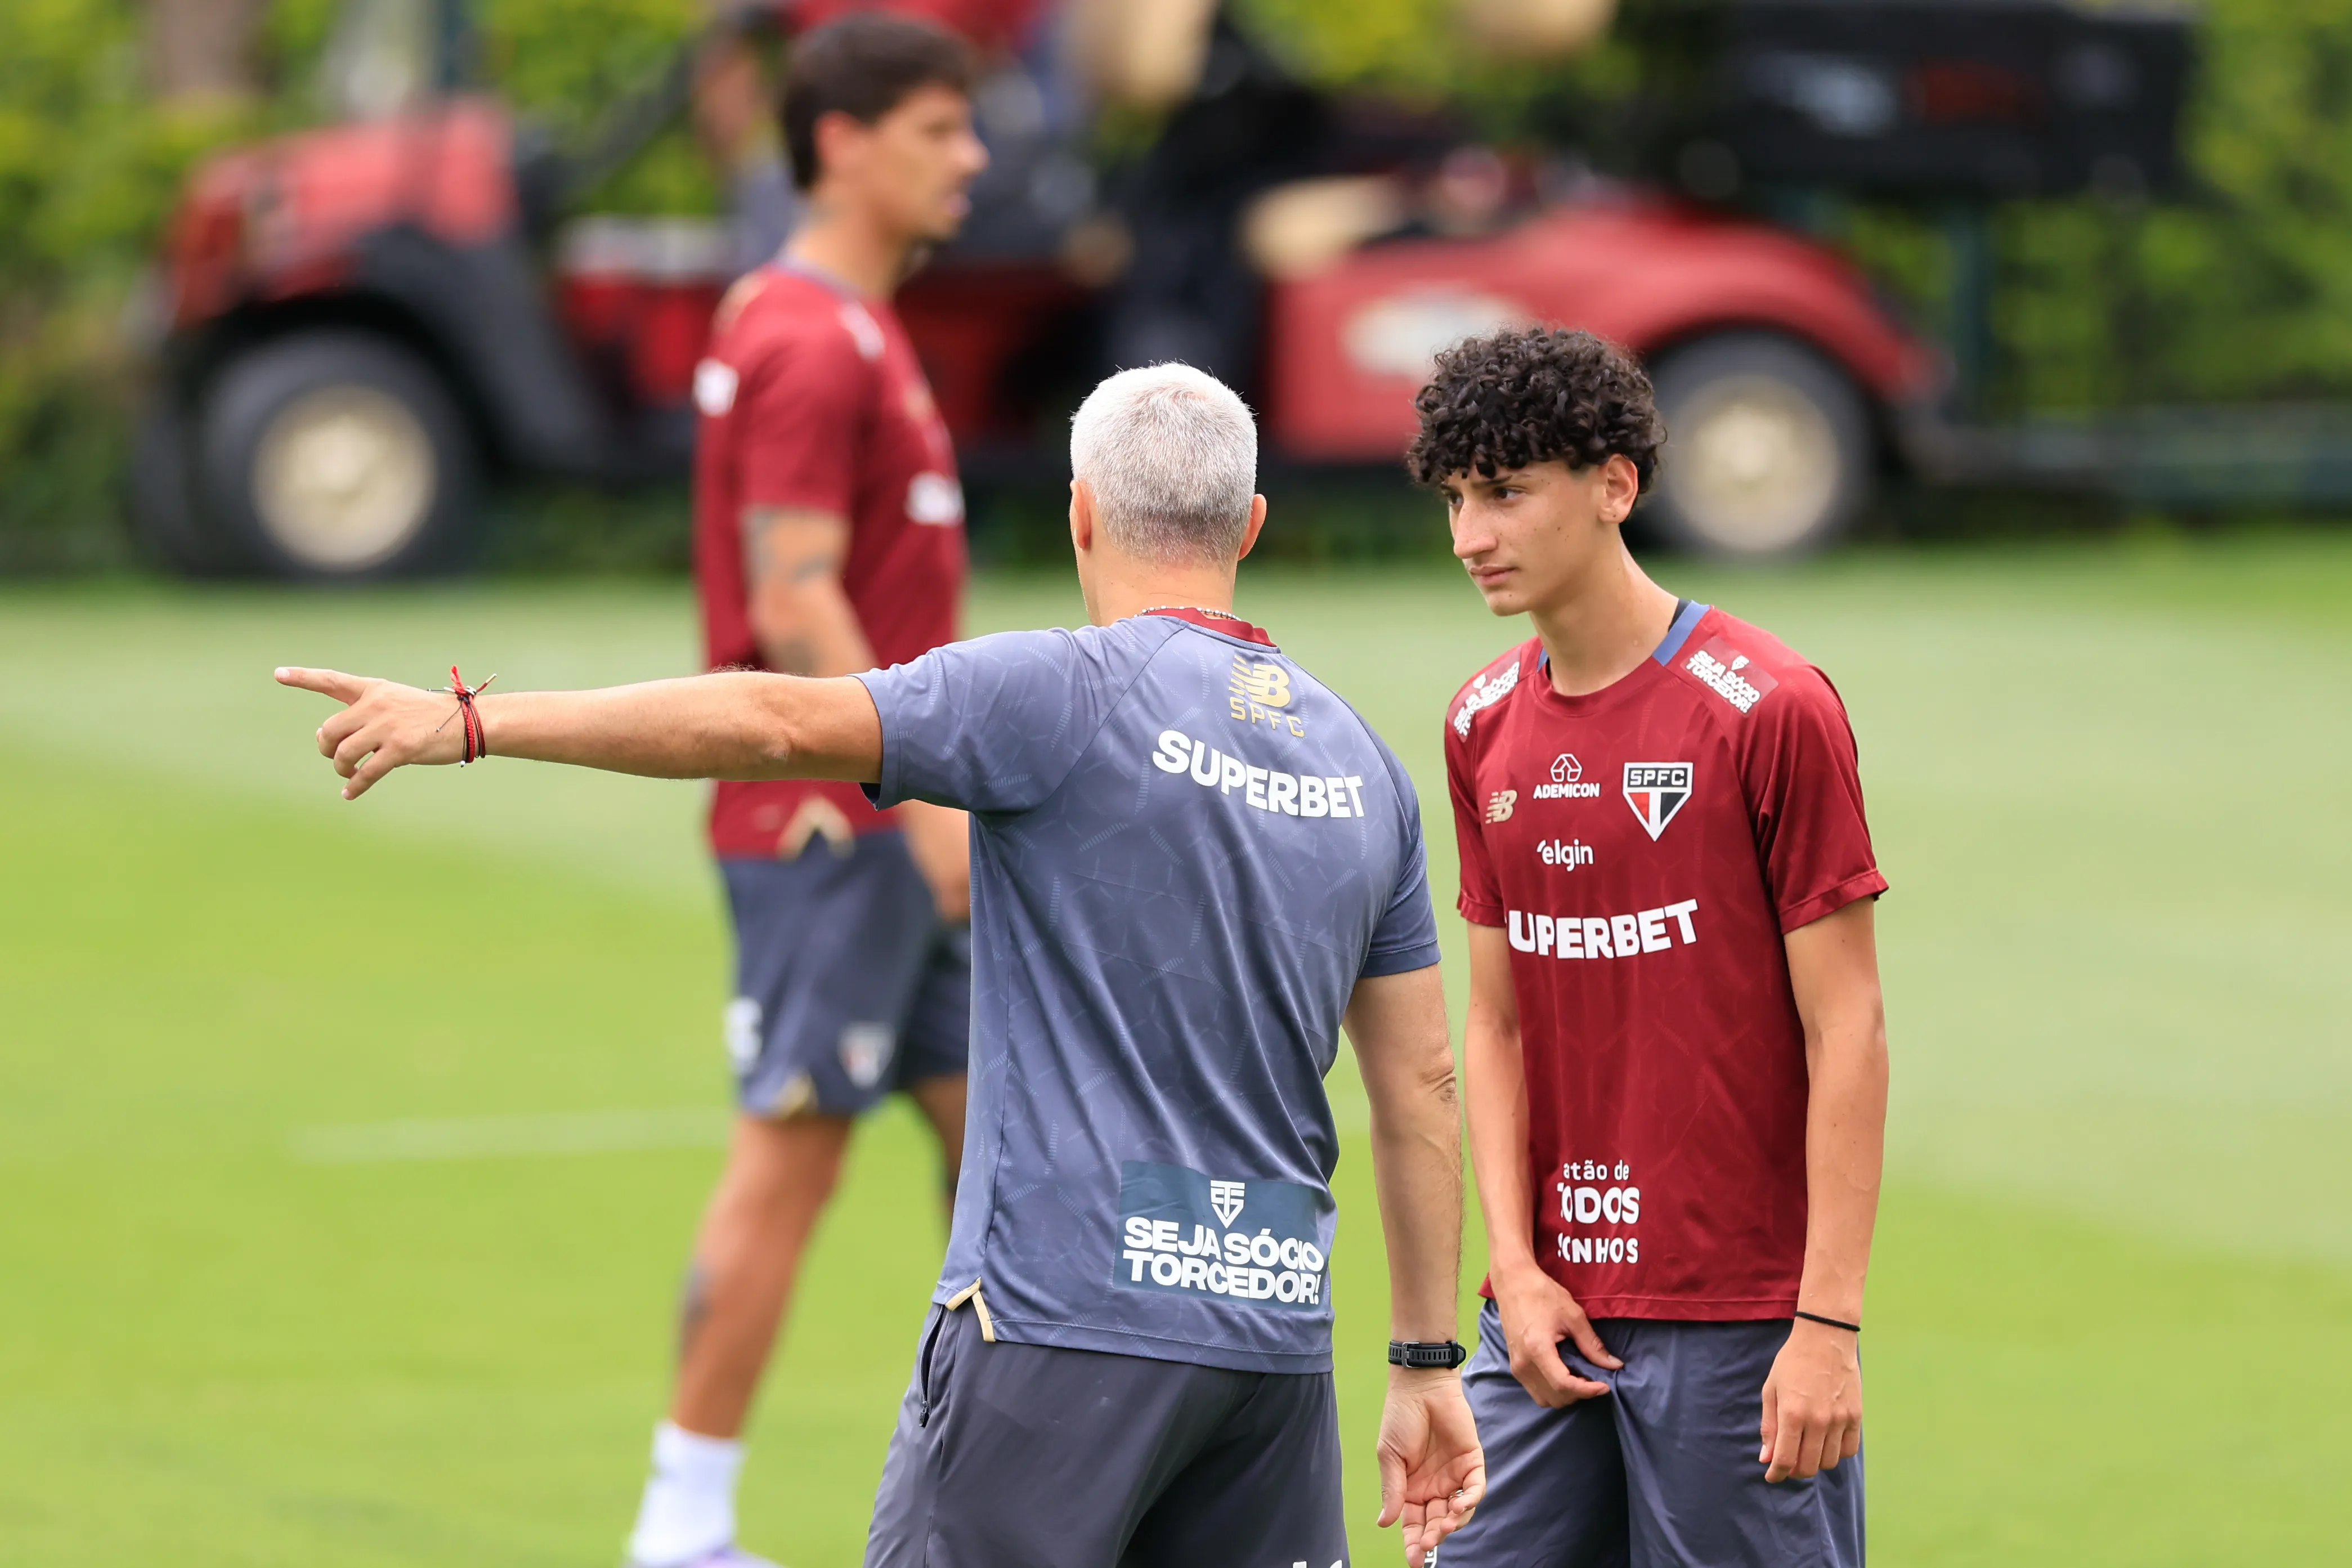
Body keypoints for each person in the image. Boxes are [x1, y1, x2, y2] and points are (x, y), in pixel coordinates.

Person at [276, 364, 1486, 1567]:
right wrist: (1426, 1360)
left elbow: (774, 722)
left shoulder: (1057, 690)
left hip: (1057, 1330)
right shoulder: (1362, 765)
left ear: (1079, 512)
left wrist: (481, 722)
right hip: (1273, 1353)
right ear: (1252, 526)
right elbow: (1421, 1086)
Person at [1415, 328, 1888, 1567]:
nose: (1471, 535)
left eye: (1505, 493)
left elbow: (1850, 1026)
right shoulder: (1478, 722)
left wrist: (1825, 1322)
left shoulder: (1771, 707)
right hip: (1545, 1311)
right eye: (1457, 498)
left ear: (1613, 487)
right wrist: (1511, 1270)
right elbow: (1498, 1022)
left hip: (1736, 1320)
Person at [645, 15, 989, 1567]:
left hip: (881, 822)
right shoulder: (801, 332)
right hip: (830, 823)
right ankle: (683, 1531)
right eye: (937, 129)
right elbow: (796, 602)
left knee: (1011, 1156)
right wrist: (927, 803)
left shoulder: (852, 323)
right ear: (840, 142)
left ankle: (1016, 1498)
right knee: (789, 1157)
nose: (972, 157)